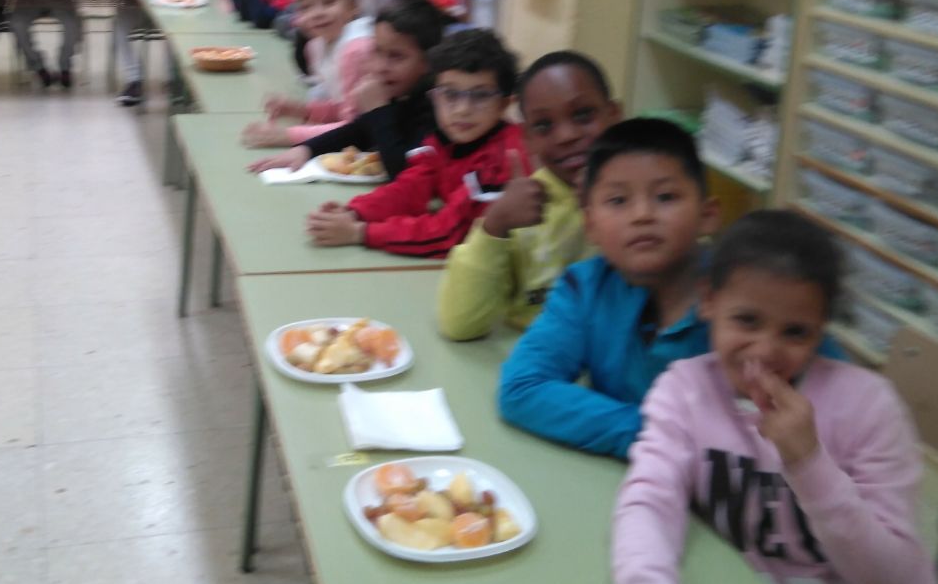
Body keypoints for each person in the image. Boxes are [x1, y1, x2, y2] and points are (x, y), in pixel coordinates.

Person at [613, 210, 938, 584]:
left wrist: (809, 463)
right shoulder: (683, 392)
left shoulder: (868, 407)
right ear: (709, 301)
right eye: (747, 321)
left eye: (795, 332)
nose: (766, 351)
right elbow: (647, 506)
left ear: (821, 330)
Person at [498, 118, 721, 456]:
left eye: (665, 196)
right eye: (618, 201)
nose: (642, 214)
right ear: (590, 225)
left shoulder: (746, 301)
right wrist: (656, 436)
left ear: (707, 215)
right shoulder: (585, 287)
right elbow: (522, 388)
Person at [437, 50, 622, 341]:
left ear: (614, 115)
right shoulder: (522, 211)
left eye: (583, 115)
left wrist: (609, 205)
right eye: (544, 125)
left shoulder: (647, 194)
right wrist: (495, 225)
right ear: (528, 139)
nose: (567, 135)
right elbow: (460, 324)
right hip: (539, 358)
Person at [306, 27, 522, 259]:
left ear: (504, 104)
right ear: (435, 98)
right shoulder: (441, 142)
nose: (462, 110)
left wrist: (360, 232)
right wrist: (355, 212)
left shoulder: (503, 159)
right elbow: (409, 188)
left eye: (480, 96)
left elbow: (451, 235)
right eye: (450, 94)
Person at [249, 0, 447, 181]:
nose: (380, 66)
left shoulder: (436, 109)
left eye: (396, 56)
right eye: (377, 51)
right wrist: (306, 149)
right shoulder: (400, 92)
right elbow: (358, 131)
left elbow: (403, 172)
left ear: (427, 62)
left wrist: (378, 110)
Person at [241, 0, 374, 148]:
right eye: (305, 7)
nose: (317, 13)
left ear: (354, 5)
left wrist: (288, 136)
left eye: (329, 2)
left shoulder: (356, 50)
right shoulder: (318, 45)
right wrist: (302, 110)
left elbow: (356, 129)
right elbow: (344, 108)